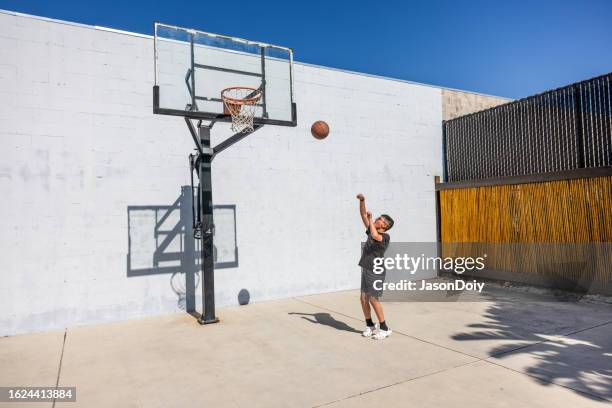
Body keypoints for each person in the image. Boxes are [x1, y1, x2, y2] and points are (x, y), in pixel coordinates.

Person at [356, 193, 394, 340]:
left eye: (381, 220)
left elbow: (375, 235)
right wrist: (362, 201)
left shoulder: (385, 237)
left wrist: (371, 219)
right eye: (378, 218)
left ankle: (384, 328)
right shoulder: (372, 228)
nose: (378, 220)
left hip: (376, 270)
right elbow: (362, 215)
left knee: (373, 298)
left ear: (385, 226)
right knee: (363, 298)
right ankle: (370, 325)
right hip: (366, 267)